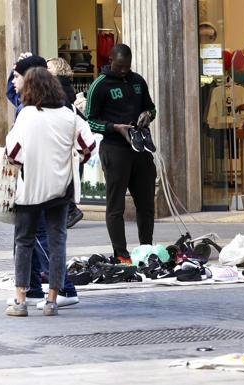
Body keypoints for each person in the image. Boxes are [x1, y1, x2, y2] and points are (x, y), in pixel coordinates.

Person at [4, 68, 96, 316]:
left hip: (29, 190)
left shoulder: (26, 116)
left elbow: (12, 153)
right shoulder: (70, 116)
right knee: (57, 243)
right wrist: (73, 163)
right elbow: (88, 146)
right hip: (60, 190)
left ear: (30, 88)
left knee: (24, 242)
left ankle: (21, 300)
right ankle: (52, 300)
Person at [86, 44, 157, 264]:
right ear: (110, 61)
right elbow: (89, 120)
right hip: (115, 149)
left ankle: (146, 248)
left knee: (146, 204)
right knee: (115, 205)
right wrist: (114, 127)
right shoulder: (100, 85)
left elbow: (151, 107)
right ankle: (121, 253)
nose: (124, 70)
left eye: (127, 66)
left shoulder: (138, 81)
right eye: (119, 66)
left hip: (140, 147)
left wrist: (147, 115)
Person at [47, 57, 84, 228]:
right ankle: (69, 211)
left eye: (49, 67)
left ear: (58, 69)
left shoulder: (56, 87)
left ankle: (71, 210)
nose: (45, 70)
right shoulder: (63, 85)